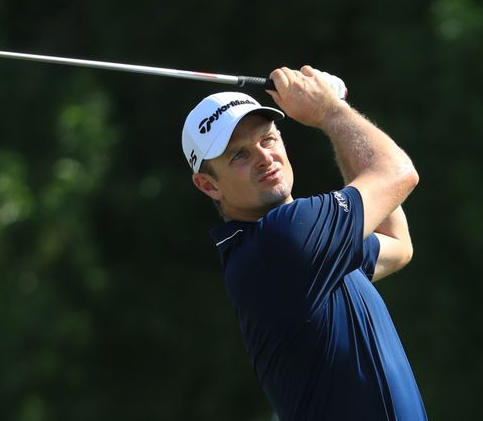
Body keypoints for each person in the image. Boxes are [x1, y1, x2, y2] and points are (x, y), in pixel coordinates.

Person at [181, 66, 426, 420]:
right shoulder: (283, 238)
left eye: (268, 139)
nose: (264, 157)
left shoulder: (290, 246)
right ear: (208, 185)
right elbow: (398, 173)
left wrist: (336, 108)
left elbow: (396, 243)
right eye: (239, 155)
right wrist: (330, 111)